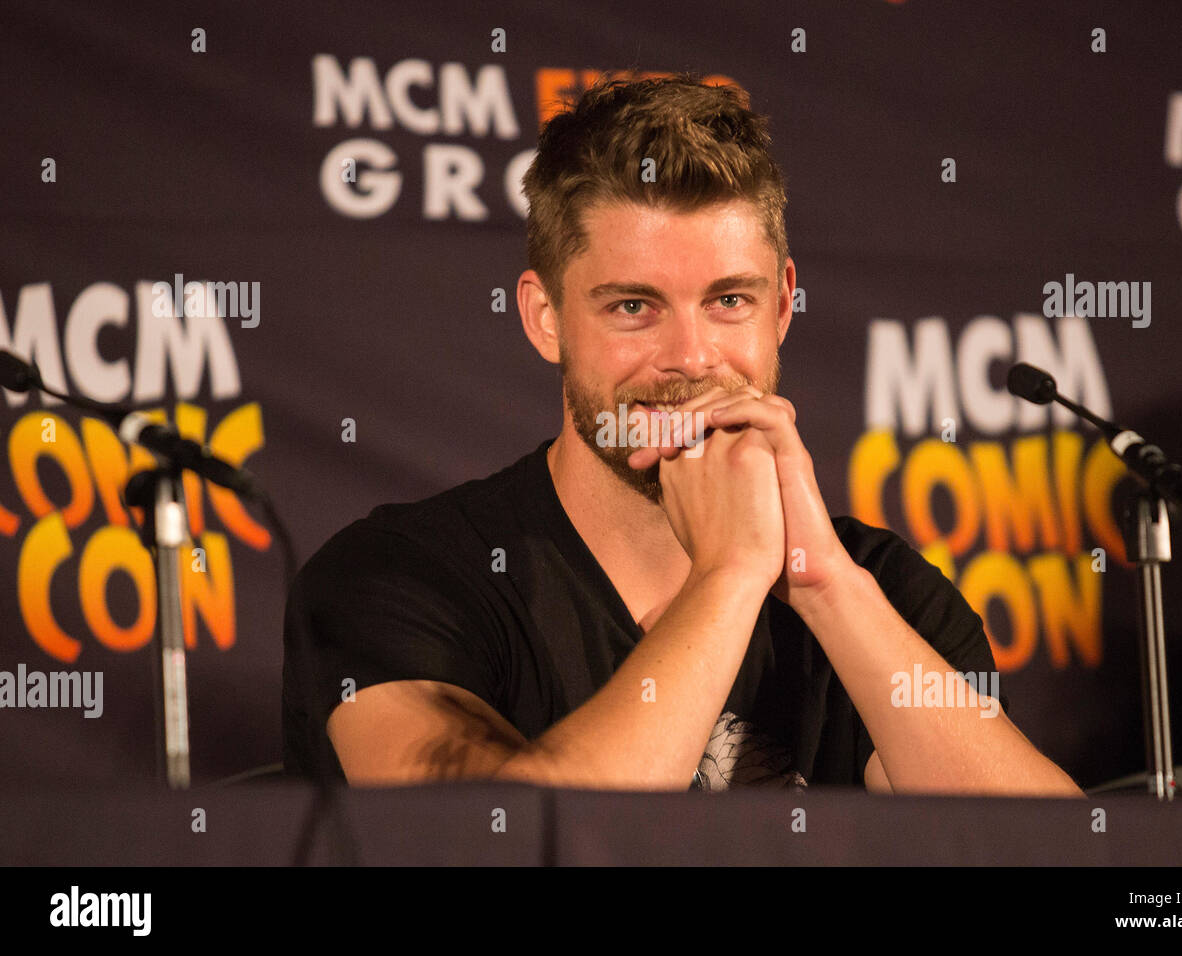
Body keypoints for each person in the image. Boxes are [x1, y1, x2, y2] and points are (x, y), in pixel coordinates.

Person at [282, 72, 1083, 796]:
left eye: (729, 301)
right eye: (634, 307)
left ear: (781, 307)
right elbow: (502, 845)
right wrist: (730, 576)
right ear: (544, 318)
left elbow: (1048, 856)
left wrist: (826, 590)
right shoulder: (396, 581)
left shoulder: (884, 594)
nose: (691, 359)